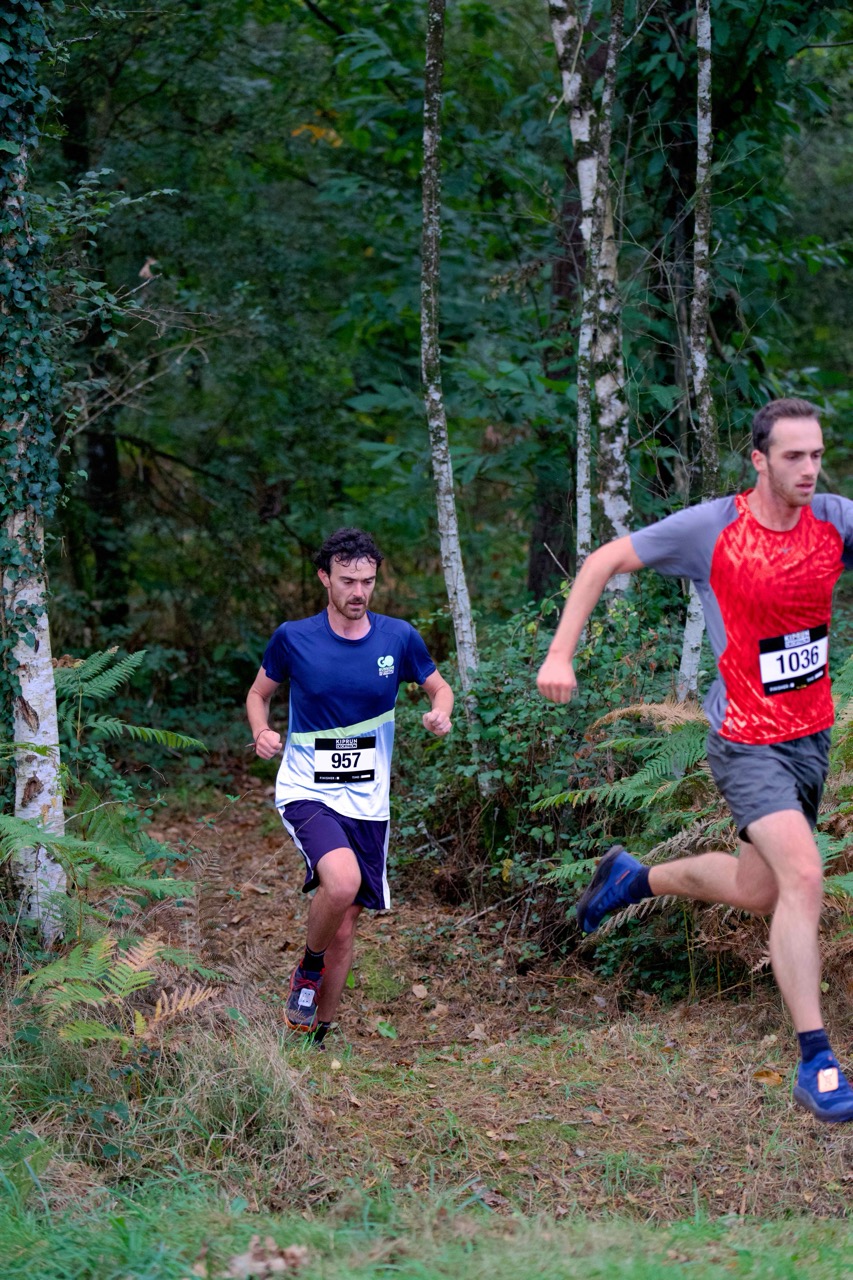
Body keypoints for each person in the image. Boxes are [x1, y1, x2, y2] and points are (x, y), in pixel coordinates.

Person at [536, 398, 853, 1123]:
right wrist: (559, 654)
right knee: (806, 876)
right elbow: (604, 559)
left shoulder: (833, 520)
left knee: (759, 890)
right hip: (745, 741)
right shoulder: (712, 529)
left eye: (815, 454)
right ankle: (817, 1061)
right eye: (793, 456)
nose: (809, 469)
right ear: (759, 460)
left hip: (810, 737)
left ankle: (632, 877)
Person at [246, 527, 453, 1042]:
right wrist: (261, 731)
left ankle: (316, 1034)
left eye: (367, 581)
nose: (358, 592)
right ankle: (308, 968)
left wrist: (440, 712)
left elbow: (439, 687)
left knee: (343, 925)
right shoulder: (294, 637)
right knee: (340, 882)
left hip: (368, 802)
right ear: (325, 578)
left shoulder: (397, 637)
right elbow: (258, 693)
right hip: (307, 790)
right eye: (347, 581)